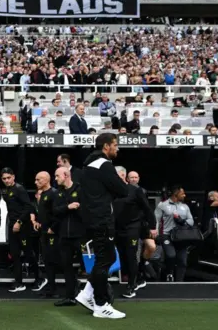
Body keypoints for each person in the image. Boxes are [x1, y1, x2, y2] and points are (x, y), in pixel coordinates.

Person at [76, 133, 128, 319]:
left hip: (93, 219)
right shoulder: (104, 165)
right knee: (105, 259)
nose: (117, 148)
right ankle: (100, 304)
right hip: (101, 219)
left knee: (106, 257)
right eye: (115, 145)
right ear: (106, 146)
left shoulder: (89, 165)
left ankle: (87, 293)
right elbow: (123, 190)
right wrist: (120, 183)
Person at [112, 166, 155, 299]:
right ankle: (133, 277)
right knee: (122, 256)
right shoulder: (112, 191)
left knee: (131, 255)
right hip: (118, 228)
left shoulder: (135, 190)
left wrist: (152, 227)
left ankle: (132, 285)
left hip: (133, 227)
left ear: (122, 176)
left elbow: (147, 209)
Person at [0, 167, 42, 293]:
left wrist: (19, 221)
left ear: (13, 177)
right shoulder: (7, 191)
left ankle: (39, 278)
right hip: (12, 226)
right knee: (14, 254)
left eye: (8, 178)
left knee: (28, 253)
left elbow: (28, 207)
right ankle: (19, 282)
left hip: (23, 226)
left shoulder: (19, 189)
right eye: (4, 178)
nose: (6, 180)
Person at [53, 167, 85, 307]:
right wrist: (68, 207)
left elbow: (87, 210)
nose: (55, 178)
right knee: (66, 266)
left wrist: (78, 208)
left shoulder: (80, 190)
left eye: (57, 176)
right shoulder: (58, 193)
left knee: (90, 266)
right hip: (64, 236)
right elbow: (55, 211)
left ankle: (97, 295)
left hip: (80, 235)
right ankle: (70, 297)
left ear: (66, 175)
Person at [155, 185, 193, 282]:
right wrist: (155, 232)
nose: (184, 195)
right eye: (182, 193)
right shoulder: (162, 205)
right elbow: (156, 220)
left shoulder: (185, 206)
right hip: (167, 235)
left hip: (182, 236)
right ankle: (169, 274)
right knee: (171, 255)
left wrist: (181, 220)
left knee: (183, 261)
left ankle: (179, 281)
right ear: (176, 194)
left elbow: (191, 221)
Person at [33, 171, 60, 298]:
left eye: (38, 180)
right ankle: (50, 287)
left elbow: (57, 214)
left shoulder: (54, 194)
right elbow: (44, 213)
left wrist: (53, 228)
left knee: (53, 260)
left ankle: (55, 289)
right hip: (43, 232)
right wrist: (38, 221)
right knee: (47, 260)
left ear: (46, 180)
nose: (36, 182)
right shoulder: (43, 195)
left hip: (52, 233)